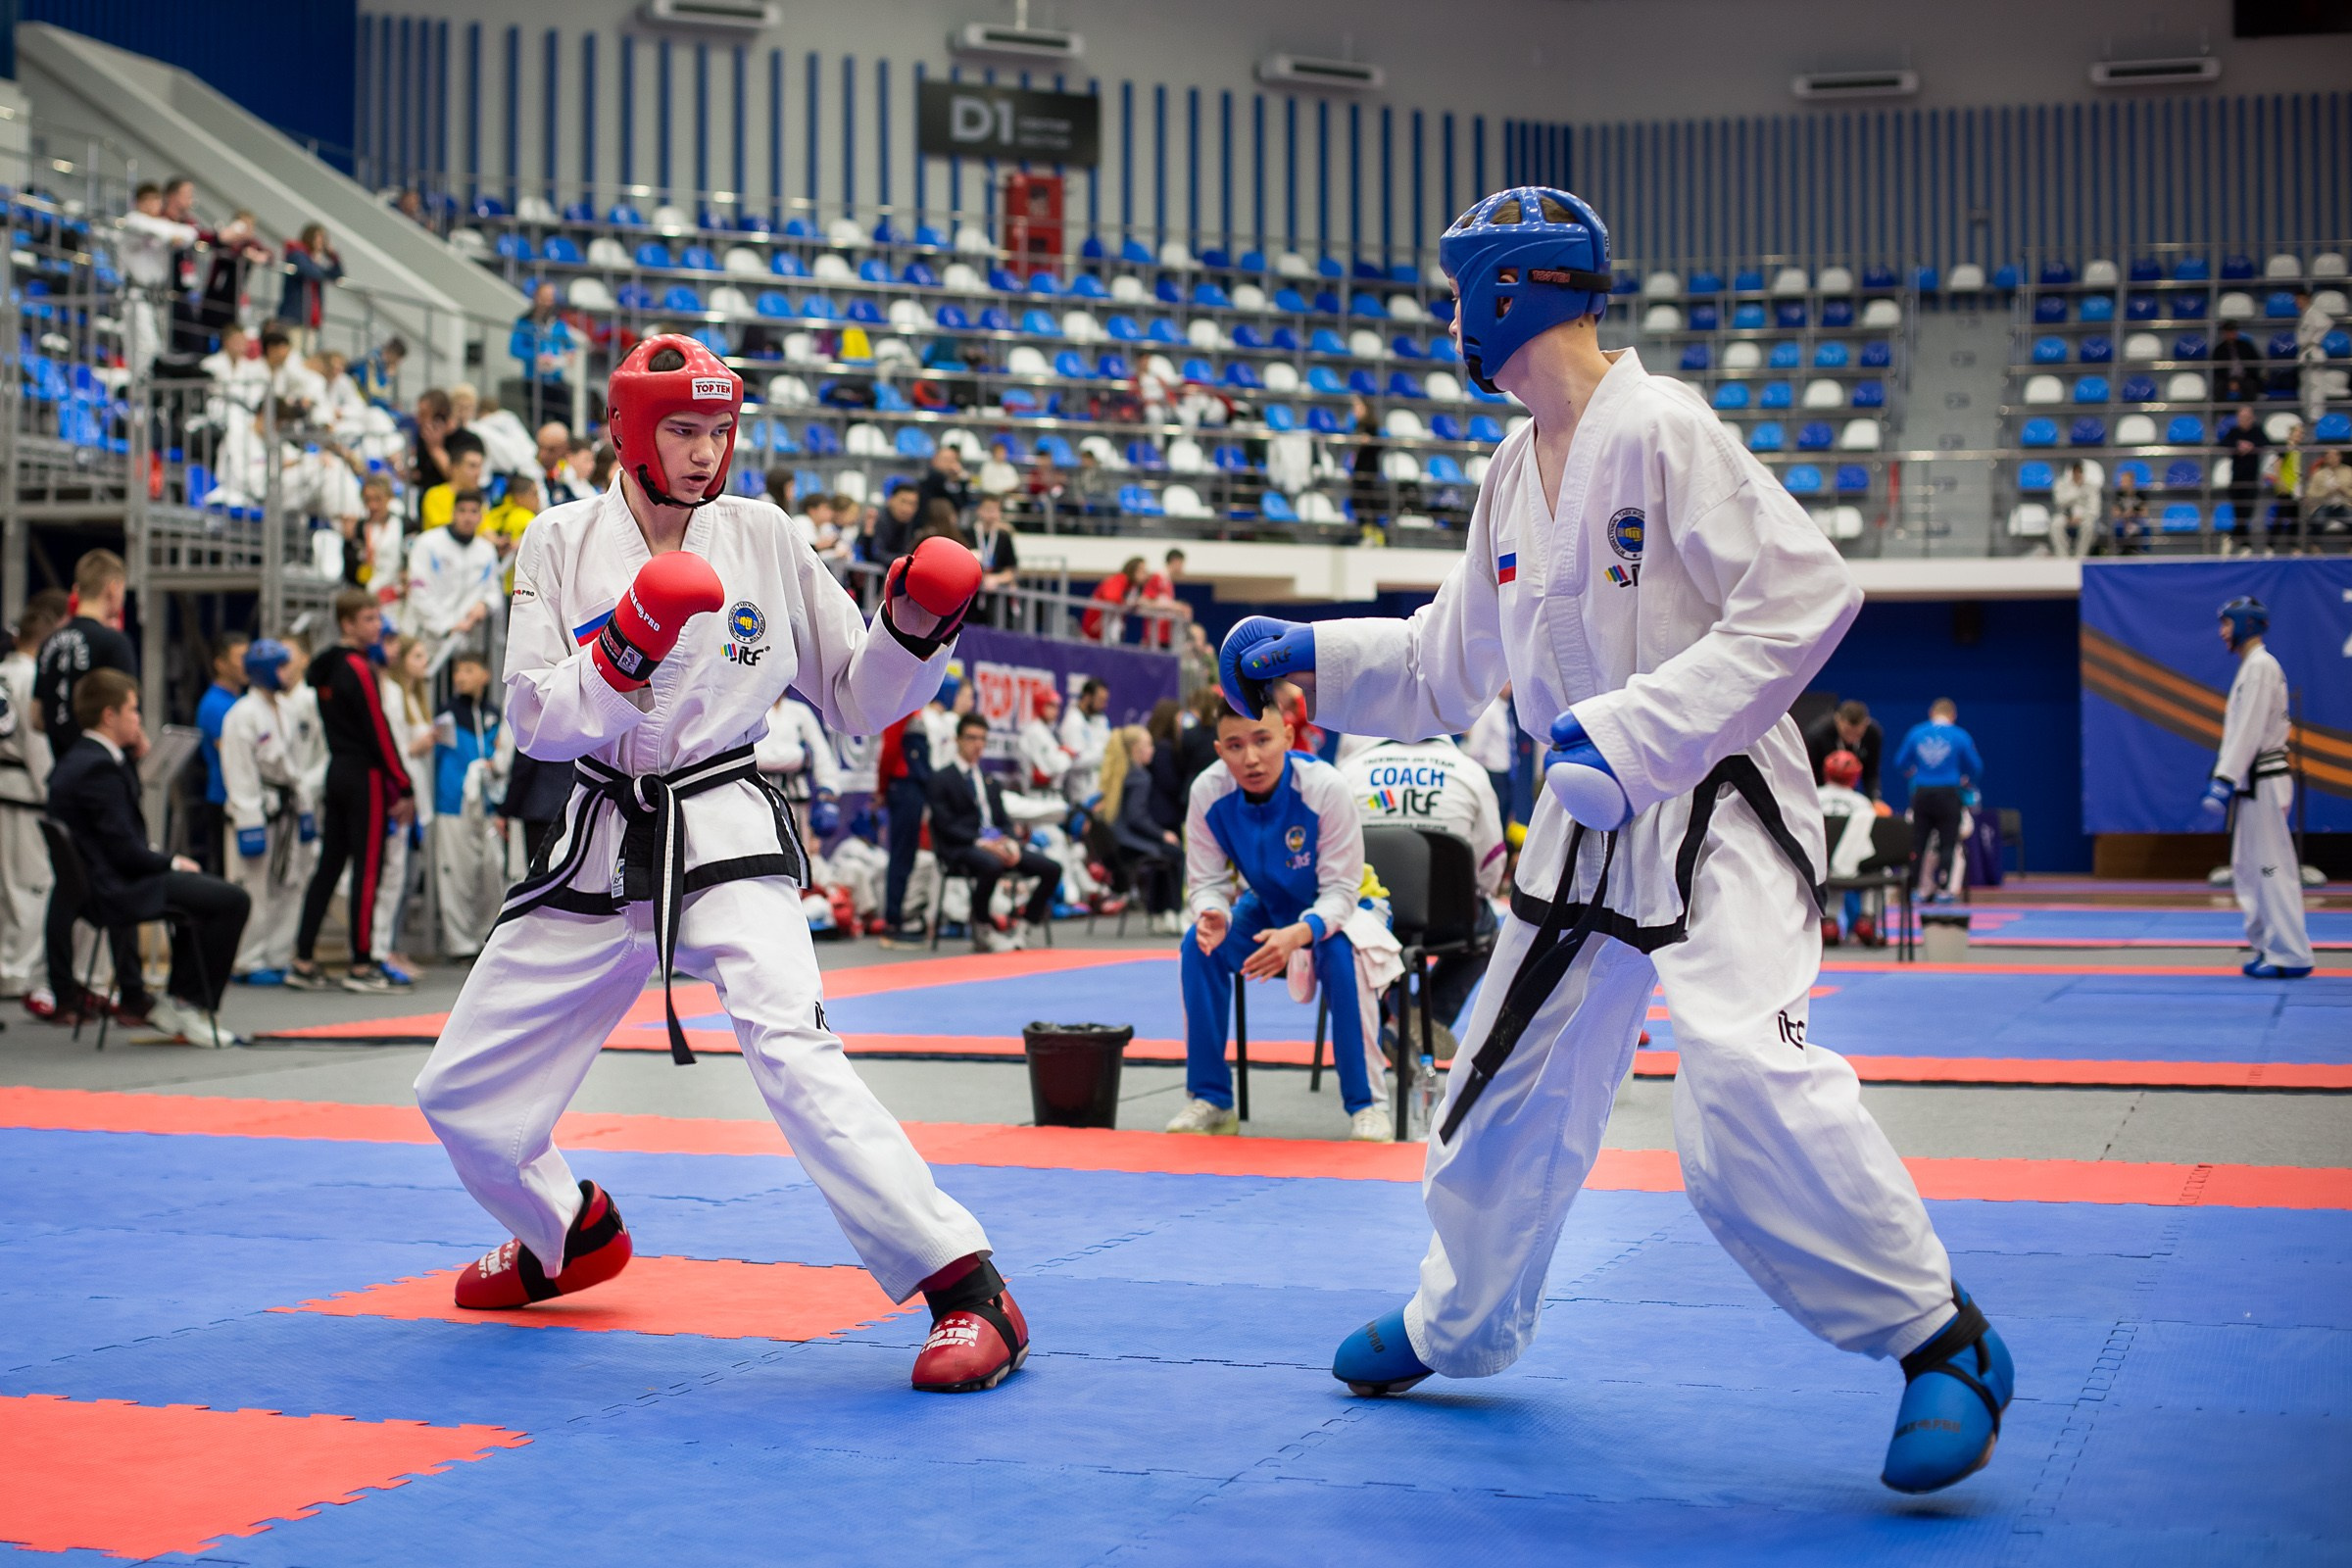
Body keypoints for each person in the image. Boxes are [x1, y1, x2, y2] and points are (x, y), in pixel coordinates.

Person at [1219, 186, 2004, 1496]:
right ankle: (1454, 1324)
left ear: (1508, 293)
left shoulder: (1661, 425)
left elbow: (1808, 594)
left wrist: (1639, 728)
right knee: (1490, 1093)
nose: (1452, 323)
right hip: (1583, 835)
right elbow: (1443, 662)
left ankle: (1943, 1339)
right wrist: (1317, 656)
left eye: (1460, 296)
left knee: (1744, 1089)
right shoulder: (1507, 474)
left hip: (1712, 809)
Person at [409, 334, 1025, 1395]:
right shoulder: (557, 540)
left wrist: (917, 629)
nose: (704, 454)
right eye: (682, 432)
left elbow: (858, 694)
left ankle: (969, 1287)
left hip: (726, 823)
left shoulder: (764, 535)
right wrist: (623, 651)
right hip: (606, 829)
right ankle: (567, 1235)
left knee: (792, 1044)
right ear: (629, 432)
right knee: (457, 1089)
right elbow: (533, 721)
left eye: (718, 432)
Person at [1170, 694, 1392, 1141]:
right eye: (1234, 746)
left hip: (1352, 908)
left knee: (1339, 950)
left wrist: (1300, 933)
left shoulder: (1325, 787)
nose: (1250, 758)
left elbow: (1341, 891)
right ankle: (1211, 1099)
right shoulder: (1208, 791)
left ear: (1288, 738)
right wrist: (1211, 912)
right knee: (1200, 945)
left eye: (1262, 740)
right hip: (1268, 907)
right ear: (1219, 750)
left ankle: (1367, 1105)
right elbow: (1207, 880)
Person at [45, 669, 250, 1044]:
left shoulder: (83, 759)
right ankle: (189, 1002)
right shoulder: (98, 768)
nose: (138, 719)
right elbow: (124, 849)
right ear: (110, 716)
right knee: (231, 900)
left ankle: (181, 998)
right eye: (133, 710)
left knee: (200, 895)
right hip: (117, 887)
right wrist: (170, 862)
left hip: (105, 879)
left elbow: (115, 835)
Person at [1341, 732, 1506, 1045]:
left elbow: (1331, 857)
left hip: (1369, 920)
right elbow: (1490, 866)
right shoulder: (1470, 772)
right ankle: (1425, 1016)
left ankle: (1388, 1013)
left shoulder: (1349, 771)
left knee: (1352, 926)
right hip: (1448, 922)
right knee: (1490, 931)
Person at [290, 590, 416, 993]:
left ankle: (302, 958)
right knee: (368, 868)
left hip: (338, 771)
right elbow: (378, 730)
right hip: (366, 777)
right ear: (346, 624)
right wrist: (404, 783)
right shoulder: (359, 668)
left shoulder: (324, 667)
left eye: (377, 619)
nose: (377, 627)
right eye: (368, 619)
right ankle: (362, 964)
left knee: (329, 865)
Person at [2202, 598, 2314, 979]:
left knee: (2271, 869)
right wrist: (2227, 774)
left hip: (2263, 780)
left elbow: (2249, 729)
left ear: (2246, 624)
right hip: (2254, 782)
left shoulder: (2261, 667)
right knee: (2248, 869)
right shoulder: (2253, 667)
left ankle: (2290, 954)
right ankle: (2269, 945)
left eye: (2227, 624)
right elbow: (2241, 730)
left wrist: (2224, 778)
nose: (2222, 632)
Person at [220, 639, 319, 984]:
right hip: (256, 811)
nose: (287, 674)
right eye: (281, 667)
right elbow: (239, 772)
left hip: (286, 808)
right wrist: (249, 821)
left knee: (287, 884)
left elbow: (296, 766)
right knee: (253, 889)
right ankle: (248, 960)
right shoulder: (241, 715)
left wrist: (305, 809)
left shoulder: (286, 709)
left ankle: (277, 955)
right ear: (263, 671)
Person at [926, 713, 1061, 951]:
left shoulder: (989, 780)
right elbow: (945, 825)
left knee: (1052, 868)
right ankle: (983, 926)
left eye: (982, 739)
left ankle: (1024, 927)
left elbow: (1002, 820)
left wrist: (1010, 841)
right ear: (958, 739)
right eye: (971, 738)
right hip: (962, 848)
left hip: (996, 844)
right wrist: (981, 842)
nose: (978, 744)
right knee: (991, 865)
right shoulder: (942, 778)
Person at [0, 594, 64, 1002]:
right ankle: (17, 971)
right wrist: (53, 795)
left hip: (4, 788)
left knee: (5, 887)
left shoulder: (3, 672)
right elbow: (38, 746)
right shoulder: (30, 679)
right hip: (25, 791)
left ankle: (8, 965)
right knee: (31, 884)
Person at [431, 653, 506, 958]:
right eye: (458, 671)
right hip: (454, 804)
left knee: (491, 872)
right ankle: (460, 943)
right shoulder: (446, 715)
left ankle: (486, 937)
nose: (461, 676)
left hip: (489, 806)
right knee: (457, 874)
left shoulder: (493, 714)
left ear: (485, 675)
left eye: (469, 669)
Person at [34, 551, 138, 761]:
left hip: (61, 769)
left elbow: (35, 717)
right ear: (113, 587)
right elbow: (126, 712)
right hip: (102, 770)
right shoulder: (114, 643)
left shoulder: (48, 643)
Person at [1894, 699, 1982, 904]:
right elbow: (1976, 767)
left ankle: (1915, 889)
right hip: (1948, 794)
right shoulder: (1960, 735)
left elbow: (1899, 762)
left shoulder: (1916, 733)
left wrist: (1913, 773)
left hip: (1922, 793)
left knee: (1918, 843)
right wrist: (1965, 779)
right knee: (1948, 843)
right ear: (1953, 715)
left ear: (1931, 712)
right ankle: (1944, 890)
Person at [406, 488, 503, 668]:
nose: (468, 517)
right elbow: (418, 591)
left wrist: (485, 604)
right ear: (453, 513)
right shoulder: (428, 544)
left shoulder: (486, 551)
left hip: (466, 643)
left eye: (474, 511)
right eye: (462, 510)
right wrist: (447, 626)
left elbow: (493, 591)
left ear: (481, 516)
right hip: (428, 639)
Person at [1101, 723, 1183, 932]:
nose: (1152, 750)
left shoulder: (1122, 773)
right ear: (1136, 749)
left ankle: (1156, 913)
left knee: (1166, 855)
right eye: (1148, 745)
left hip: (1115, 844)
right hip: (1128, 845)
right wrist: (1162, 834)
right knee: (1175, 853)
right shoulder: (1140, 777)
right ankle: (1174, 913)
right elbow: (1137, 818)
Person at [191, 632, 250, 876]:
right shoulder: (214, 704)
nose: (247, 664)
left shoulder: (244, 701)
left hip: (244, 797)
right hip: (223, 798)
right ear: (220, 663)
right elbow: (236, 755)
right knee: (229, 872)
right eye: (241, 658)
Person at [1817, 748, 1883, 947]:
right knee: (1877, 867)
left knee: (1828, 864)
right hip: (1856, 867)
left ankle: (1829, 921)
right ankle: (1867, 918)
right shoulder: (1862, 803)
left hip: (1820, 866)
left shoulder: (1814, 796)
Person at [509, 281, 576, 427]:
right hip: (534, 380)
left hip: (556, 378)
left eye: (550, 298)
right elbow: (515, 349)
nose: (547, 302)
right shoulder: (524, 322)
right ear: (536, 298)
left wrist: (570, 354)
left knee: (565, 421)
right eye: (544, 297)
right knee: (537, 422)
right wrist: (536, 357)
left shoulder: (558, 323)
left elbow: (569, 344)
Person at [275, 222, 343, 346]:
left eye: (324, 239)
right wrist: (316, 262)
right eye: (320, 238)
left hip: (310, 320)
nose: (322, 242)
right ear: (310, 237)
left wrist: (333, 255)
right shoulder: (297, 253)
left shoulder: (313, 261)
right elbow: (311, 273)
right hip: (294, 317)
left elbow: (336, 275)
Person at [1803, 699, 1885, 801]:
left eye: (1857, 734)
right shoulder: (1817, 735)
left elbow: (1871, 772)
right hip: (1820, 789)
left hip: (1850, 791)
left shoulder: (1873, 734)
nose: (1851, 738)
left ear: (1866, 724)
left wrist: (1875, 799)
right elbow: (1808, 771)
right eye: (1847, 732)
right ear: (1837, 720)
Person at [417, 430, 487, 531]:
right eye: (472, 466)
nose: (478, 473)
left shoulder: (479, 499)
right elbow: (450, 532)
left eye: (480, 467)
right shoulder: (435, 495)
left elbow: (487, 531)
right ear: (455, 468)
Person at [1059, 678, 1111, 804]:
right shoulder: (1072, 722)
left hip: (1099, 789)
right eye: (1100, 700)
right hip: (1079, 793)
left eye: (1105, 701)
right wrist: (1103, 753)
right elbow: (1076, 761)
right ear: (1087, 697)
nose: (1104, 705)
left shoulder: (1101, 720)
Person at [2222, 407, 2269, 547]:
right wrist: (2238, 446)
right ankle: (2241, 538)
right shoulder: (2234, 432)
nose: (2244, 421)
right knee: (2238, 508)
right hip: (2237, 477)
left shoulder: (2257, 431)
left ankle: (2237, 537)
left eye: (2247, 418)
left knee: (2248, 508)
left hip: (2252, 478)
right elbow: (2223, 443)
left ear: (2252, 418)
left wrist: (2252, 446)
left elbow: (2266, 443)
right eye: (2242, 418)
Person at [2296, 285, 2336, 430]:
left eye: (2300, 300)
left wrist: (2316, 339)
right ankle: (2309, 418)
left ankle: (2317, 422)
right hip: (2305, 354)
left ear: (2306, 299)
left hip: (2313, 354)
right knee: (2306, 391)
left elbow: (2327, 323)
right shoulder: (2306, 314)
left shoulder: (2314, 313)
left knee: (2316, 390)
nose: (2298, 303)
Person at [1082, 557, 1147, 644]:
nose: (1145, 574)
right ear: (1132, 569)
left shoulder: (1134, 588)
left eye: (1145, 571)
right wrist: (1130, 603)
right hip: (1095, 628)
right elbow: (1111, 598)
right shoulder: (1120, 579)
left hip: (1109, 631)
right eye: (1141, 570)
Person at [1139, 549, 1191, 650]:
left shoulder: (1167, 581)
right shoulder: (1158, 578)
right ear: (1175, 561)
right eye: (1182, 563)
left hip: (1165, 635)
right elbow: (1144, 600)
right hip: (1155, 635)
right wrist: (1175, 606)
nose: (1182, 567)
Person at [2050, 459, 2102, 558]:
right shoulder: (2061, 484)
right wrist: (2076, 491)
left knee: (2089, 526)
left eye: (2080, 472)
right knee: (2055, 524)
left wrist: (2081, 516)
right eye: (2075, 472)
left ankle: (2081, 555)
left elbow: (2095, 508)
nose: (2077, 474)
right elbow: (2059, 502)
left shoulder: (2091, 487)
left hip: (2084, 517)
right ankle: (2063, 556)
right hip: (2065, 515)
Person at [538, 420, 595, 506]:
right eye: (541, 447)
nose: (543, 454)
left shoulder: (578, 482)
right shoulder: (531, 472)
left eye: (551, 450)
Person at [867, 482, 923, 564]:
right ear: (890, 500)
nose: (907, 509)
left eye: (912, 504)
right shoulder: (877, 521)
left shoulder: (913, 525)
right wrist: (905, 560)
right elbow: (876, 554)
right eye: (903, 502)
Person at [2213, 319, 2265, 406]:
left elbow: (2256, 362)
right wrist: (2230, 382)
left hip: (2245, 378)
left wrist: (2244, 377)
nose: (2231, 333)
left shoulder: (2246, 346)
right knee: (2219, 389)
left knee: (2250, 385)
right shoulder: (2219, 349)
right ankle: (2221, 415)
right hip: (2226, 379)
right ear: (2224, 333)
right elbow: (2218, 371)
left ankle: (2248, 412)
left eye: (2233, 331)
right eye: (2229, 331)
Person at [2306, 448, 2352, 534]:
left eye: (2336, 455)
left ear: (2340, 457)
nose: (2334, 458)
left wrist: (2343, 491)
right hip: (2324, 505)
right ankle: (2315, 546)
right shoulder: (2318, 474)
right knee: (2317, 521)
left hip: (2345, 505)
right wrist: (2326, 493)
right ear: (2325, 458)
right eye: (2330, 456)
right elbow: (2311, 494)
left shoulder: (2349, 471)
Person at [2112, 466, 2150, 551]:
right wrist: (2124, 515)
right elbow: (2115, 513)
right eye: (2121, 481)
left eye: (2124, 481)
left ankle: (2145, 552)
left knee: (2146, 527)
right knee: (2117, 527)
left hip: (2136, 520)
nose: (2122, 483)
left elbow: (2145, 513)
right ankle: (2119, 551)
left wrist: (2134, 513)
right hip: (2123, 521)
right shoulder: (2118, 495)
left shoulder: (2140, 495)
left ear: (2131, 482)